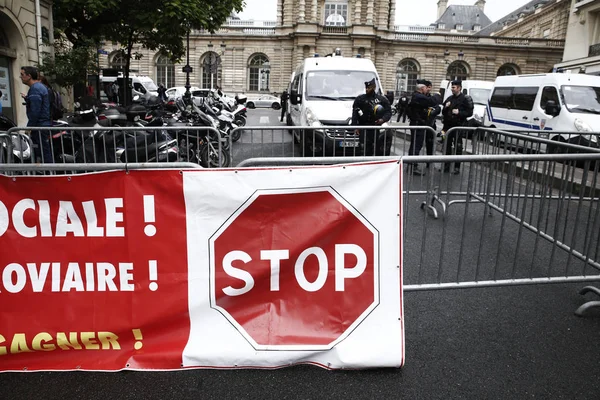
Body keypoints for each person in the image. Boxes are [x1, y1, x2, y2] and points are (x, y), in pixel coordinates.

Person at [406, 79, 441, 175]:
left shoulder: (416, 96)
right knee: (416, 145)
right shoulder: (418, 96)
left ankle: (411, 165)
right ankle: (413, 166)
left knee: (415, 145)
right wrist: (438, 94)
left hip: (418, 123)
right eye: (426, 88)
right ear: (422, 88)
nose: (427, 90)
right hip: (418, 124)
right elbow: (432, 101)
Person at [20, 66, 53, 163]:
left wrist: (29, 127)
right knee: (42, 151)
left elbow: (35, 111)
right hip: (42, 125)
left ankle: (49, 174)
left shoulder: (35, 89)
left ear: (29, 76)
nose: (20, 77)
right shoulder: (39, 87)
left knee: (43, 151)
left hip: (39, 126)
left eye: (22, 74)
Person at [352, 78, 392, 156]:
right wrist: (355, 126)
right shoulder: (360, 99)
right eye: (366, 88)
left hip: (375, 127)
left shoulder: (381, 99)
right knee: (363, 149)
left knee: (376, 148)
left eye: (369, 88)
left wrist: (382, 120)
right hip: (363, 127)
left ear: (374, 88)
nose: (367, 89)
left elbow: (388, 112)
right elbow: (355, 113)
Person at [440, 79, 473, 174]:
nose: (452, 89)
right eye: (452, 87)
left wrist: (459, 113)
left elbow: (469, 113)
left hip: (458, 126)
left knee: (458, 147)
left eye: (454, 87)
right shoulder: (450, 98)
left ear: (459, 88)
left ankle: (457, 167)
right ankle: (446, 166)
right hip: (448, 126)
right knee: (447, 146)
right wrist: (446, 107)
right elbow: (443, 112)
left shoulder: (465, 99)